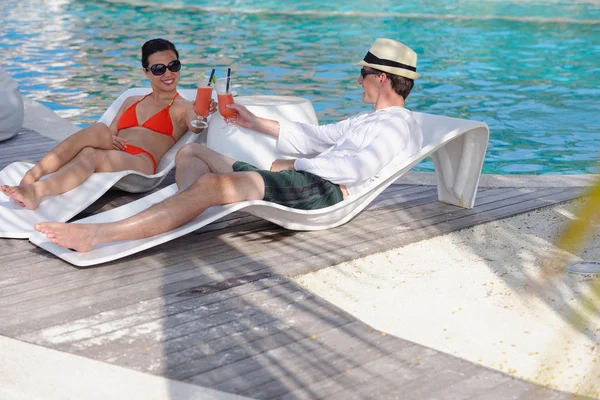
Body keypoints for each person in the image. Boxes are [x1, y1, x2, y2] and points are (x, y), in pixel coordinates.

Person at [35, 38, 424, 252]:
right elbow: (314, 137)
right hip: (297, 179)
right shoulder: (366, 120)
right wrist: (253, 121)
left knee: (210, 184)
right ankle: (181, 214)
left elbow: (356, 170)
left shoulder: (396, 127)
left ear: (383, 79)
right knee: (192, 152)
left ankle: (99, 236)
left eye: (364, 74)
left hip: (318, 191)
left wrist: (293, 167)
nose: (359, 81)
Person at [0, 38, 215, 209]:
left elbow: (196, 125)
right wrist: (103, 138)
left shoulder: (183, 106)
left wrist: (202, 114)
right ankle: (34, 175)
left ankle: (37, 191)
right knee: (95, 136)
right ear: (146, 72)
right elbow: (109, 133)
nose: (168, 74)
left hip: (141, 162)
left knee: (91, 153)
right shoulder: (131, 101)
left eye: (173, 66)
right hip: (114, 152)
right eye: (159, 69)